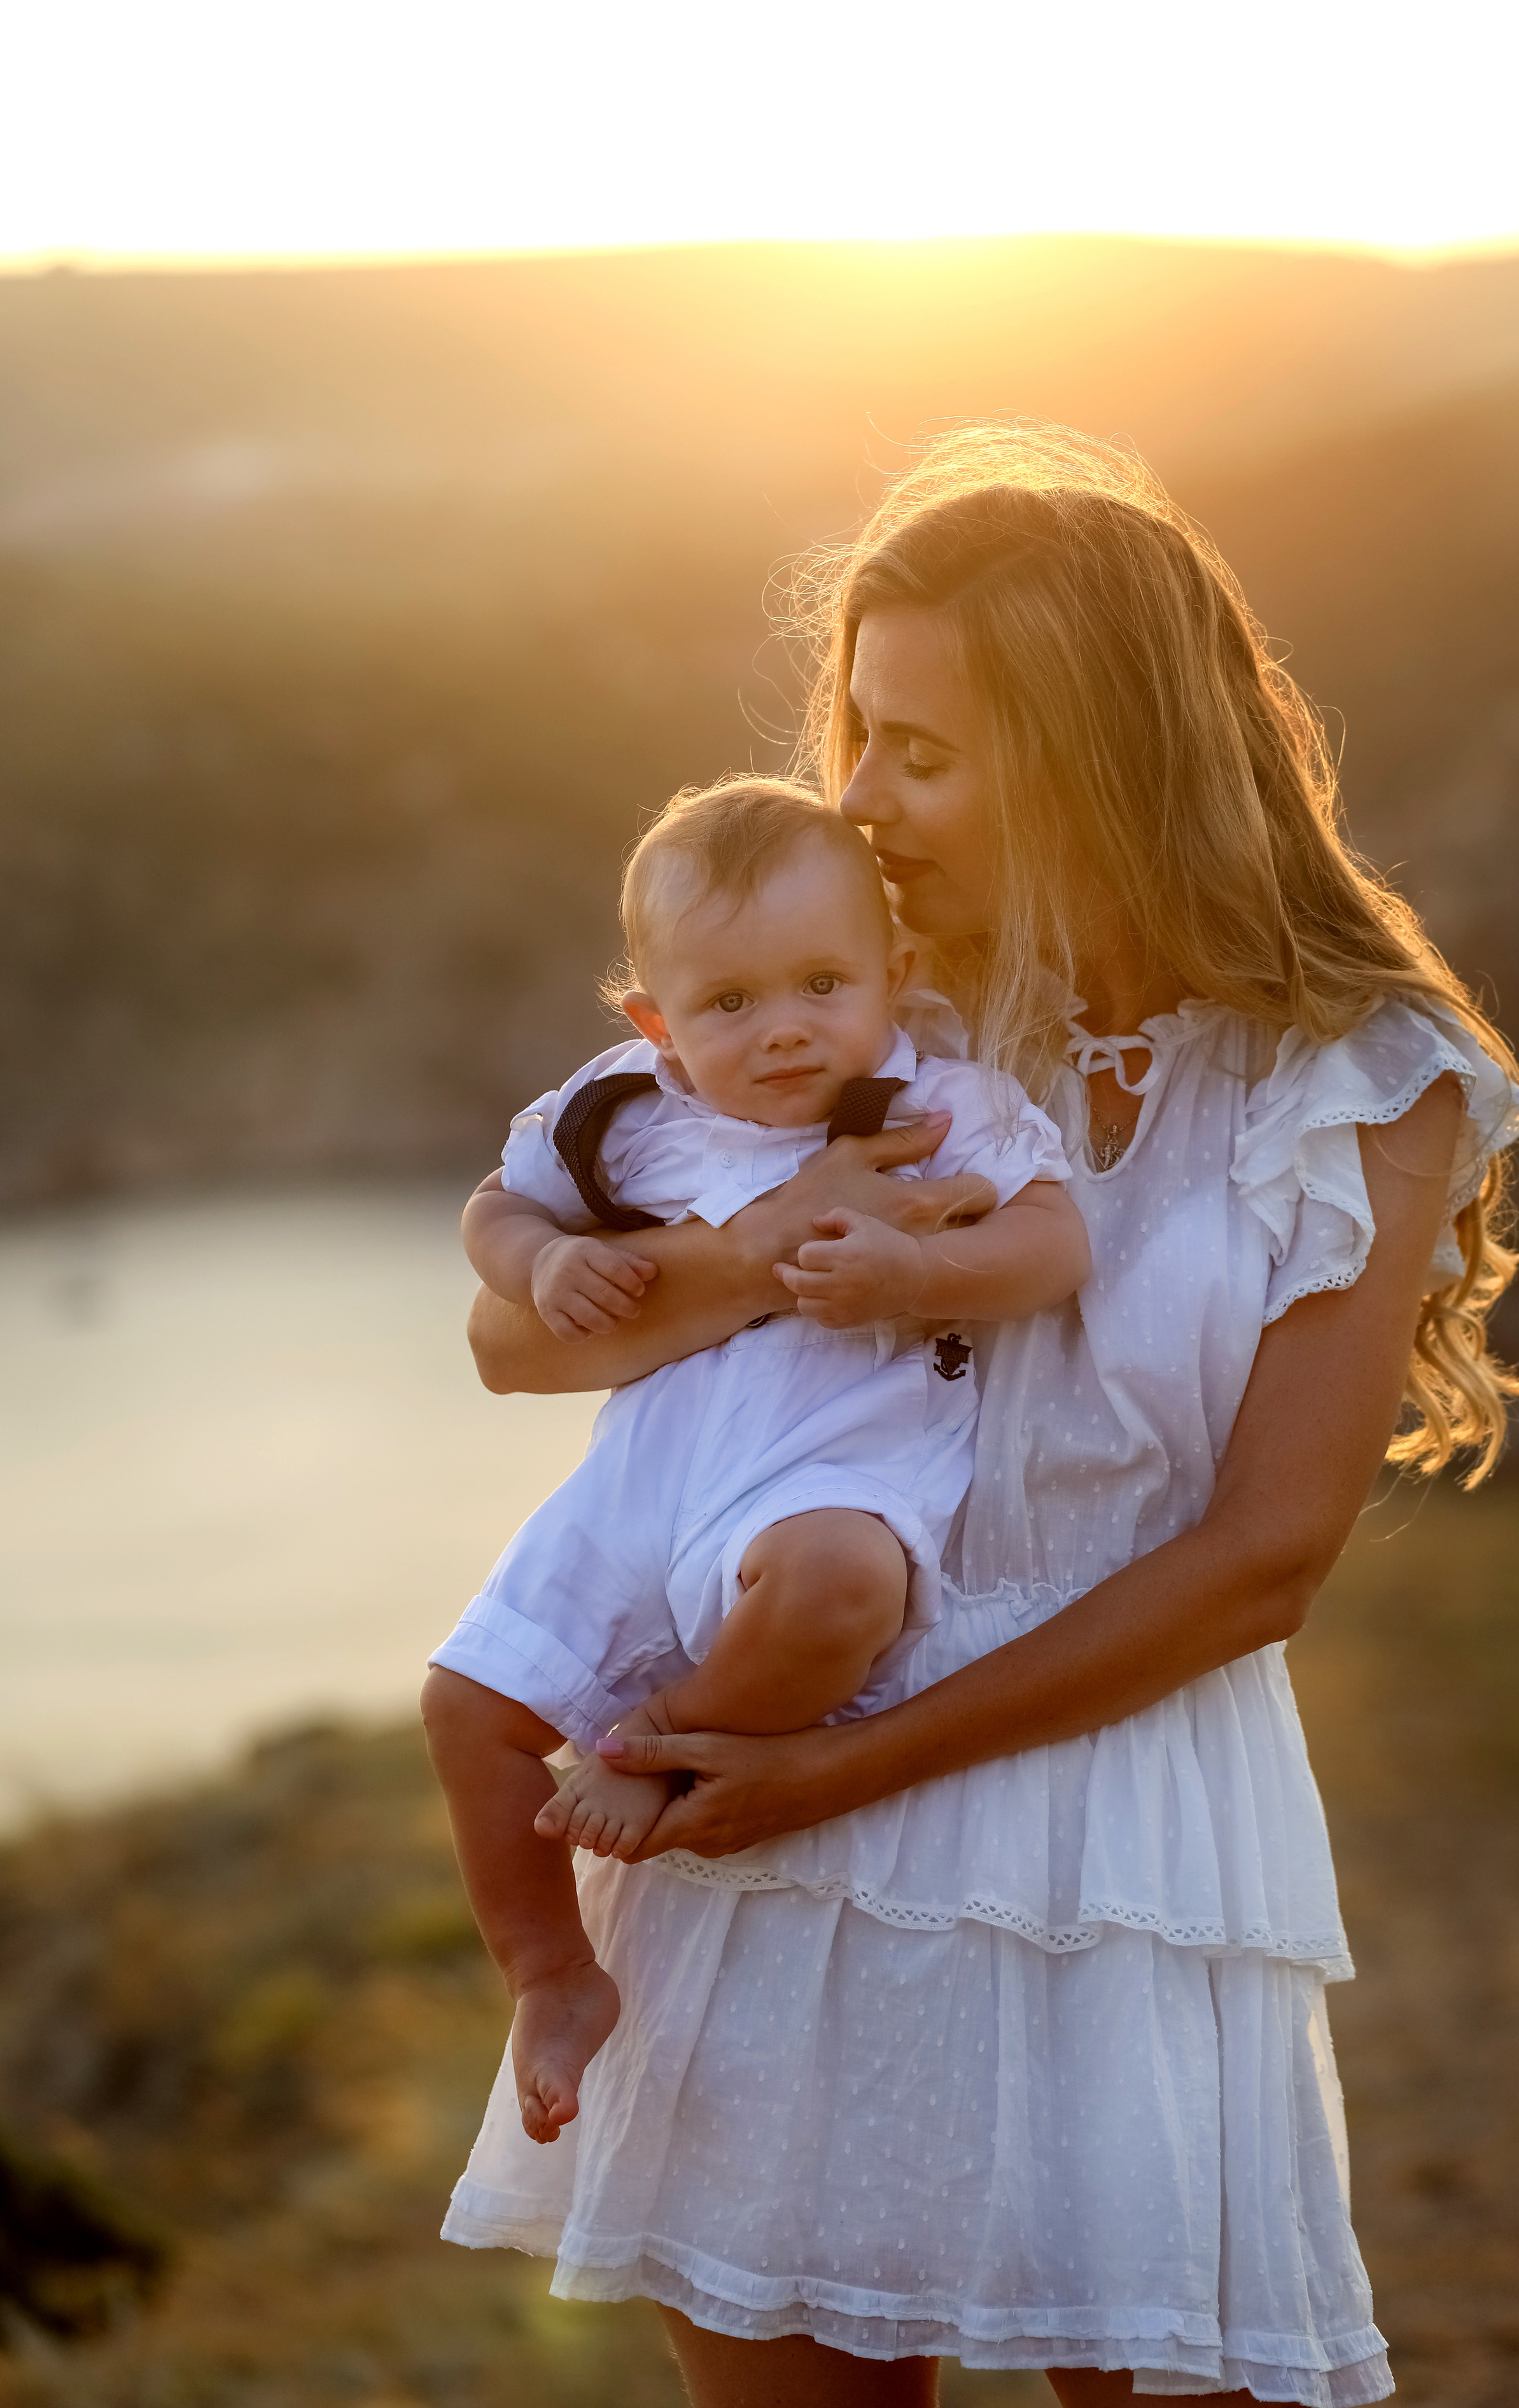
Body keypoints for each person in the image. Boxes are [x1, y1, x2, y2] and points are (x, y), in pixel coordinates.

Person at [423, 425, 1519, 2406]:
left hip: (1117, 1819)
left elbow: (1266, 1557)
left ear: (1097, 750)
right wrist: (785, 1241)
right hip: (791, 1741)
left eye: (919, 752)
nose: (855, 794)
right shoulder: (860, 1005)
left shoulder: (1368, 1074)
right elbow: (526, 1348)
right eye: (858, 730)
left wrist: (830, 1775)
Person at [431, 773, 1087, 2141]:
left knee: (837, 1590)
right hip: (643, 1479)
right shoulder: (618, 1110)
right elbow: (493, 1212)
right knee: (464, 1708)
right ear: (654, 1022)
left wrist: (920, 1264)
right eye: (728, 1005)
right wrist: (545, 1257)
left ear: (892, 977)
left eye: (819, 985)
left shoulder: (936, 1100)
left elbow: (1052, 1247)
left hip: (832, 1465)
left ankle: (658, 1737)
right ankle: (550, 1974)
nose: (783, 1032)